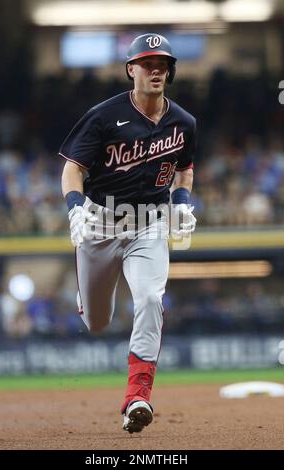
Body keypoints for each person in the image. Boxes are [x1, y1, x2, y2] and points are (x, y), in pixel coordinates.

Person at [59, 33, 196, 433]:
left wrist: (182, 200)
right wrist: (74, 208)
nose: (156, 70)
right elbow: (73, 169)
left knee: (152, 298)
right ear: (130, 69)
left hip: (149, 223)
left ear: (169, 71)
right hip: (101, 221)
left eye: (162, 64)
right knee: (98, 322)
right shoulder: (104, 115)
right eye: (147, 63)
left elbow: (184, 166)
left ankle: (137, 397)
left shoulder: (183, 122)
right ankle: (89, 295)